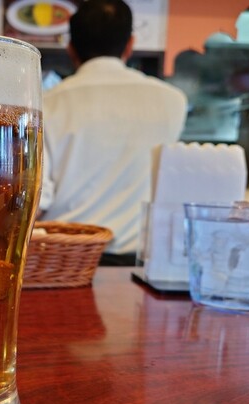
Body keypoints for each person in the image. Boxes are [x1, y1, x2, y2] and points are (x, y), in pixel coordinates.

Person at [39, 0, 187, 265]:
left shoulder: (46, 104)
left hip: (63, 261)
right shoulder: (173, 101)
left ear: (71, 49)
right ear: (130, 45)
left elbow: (39, 198)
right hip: (139, 264)